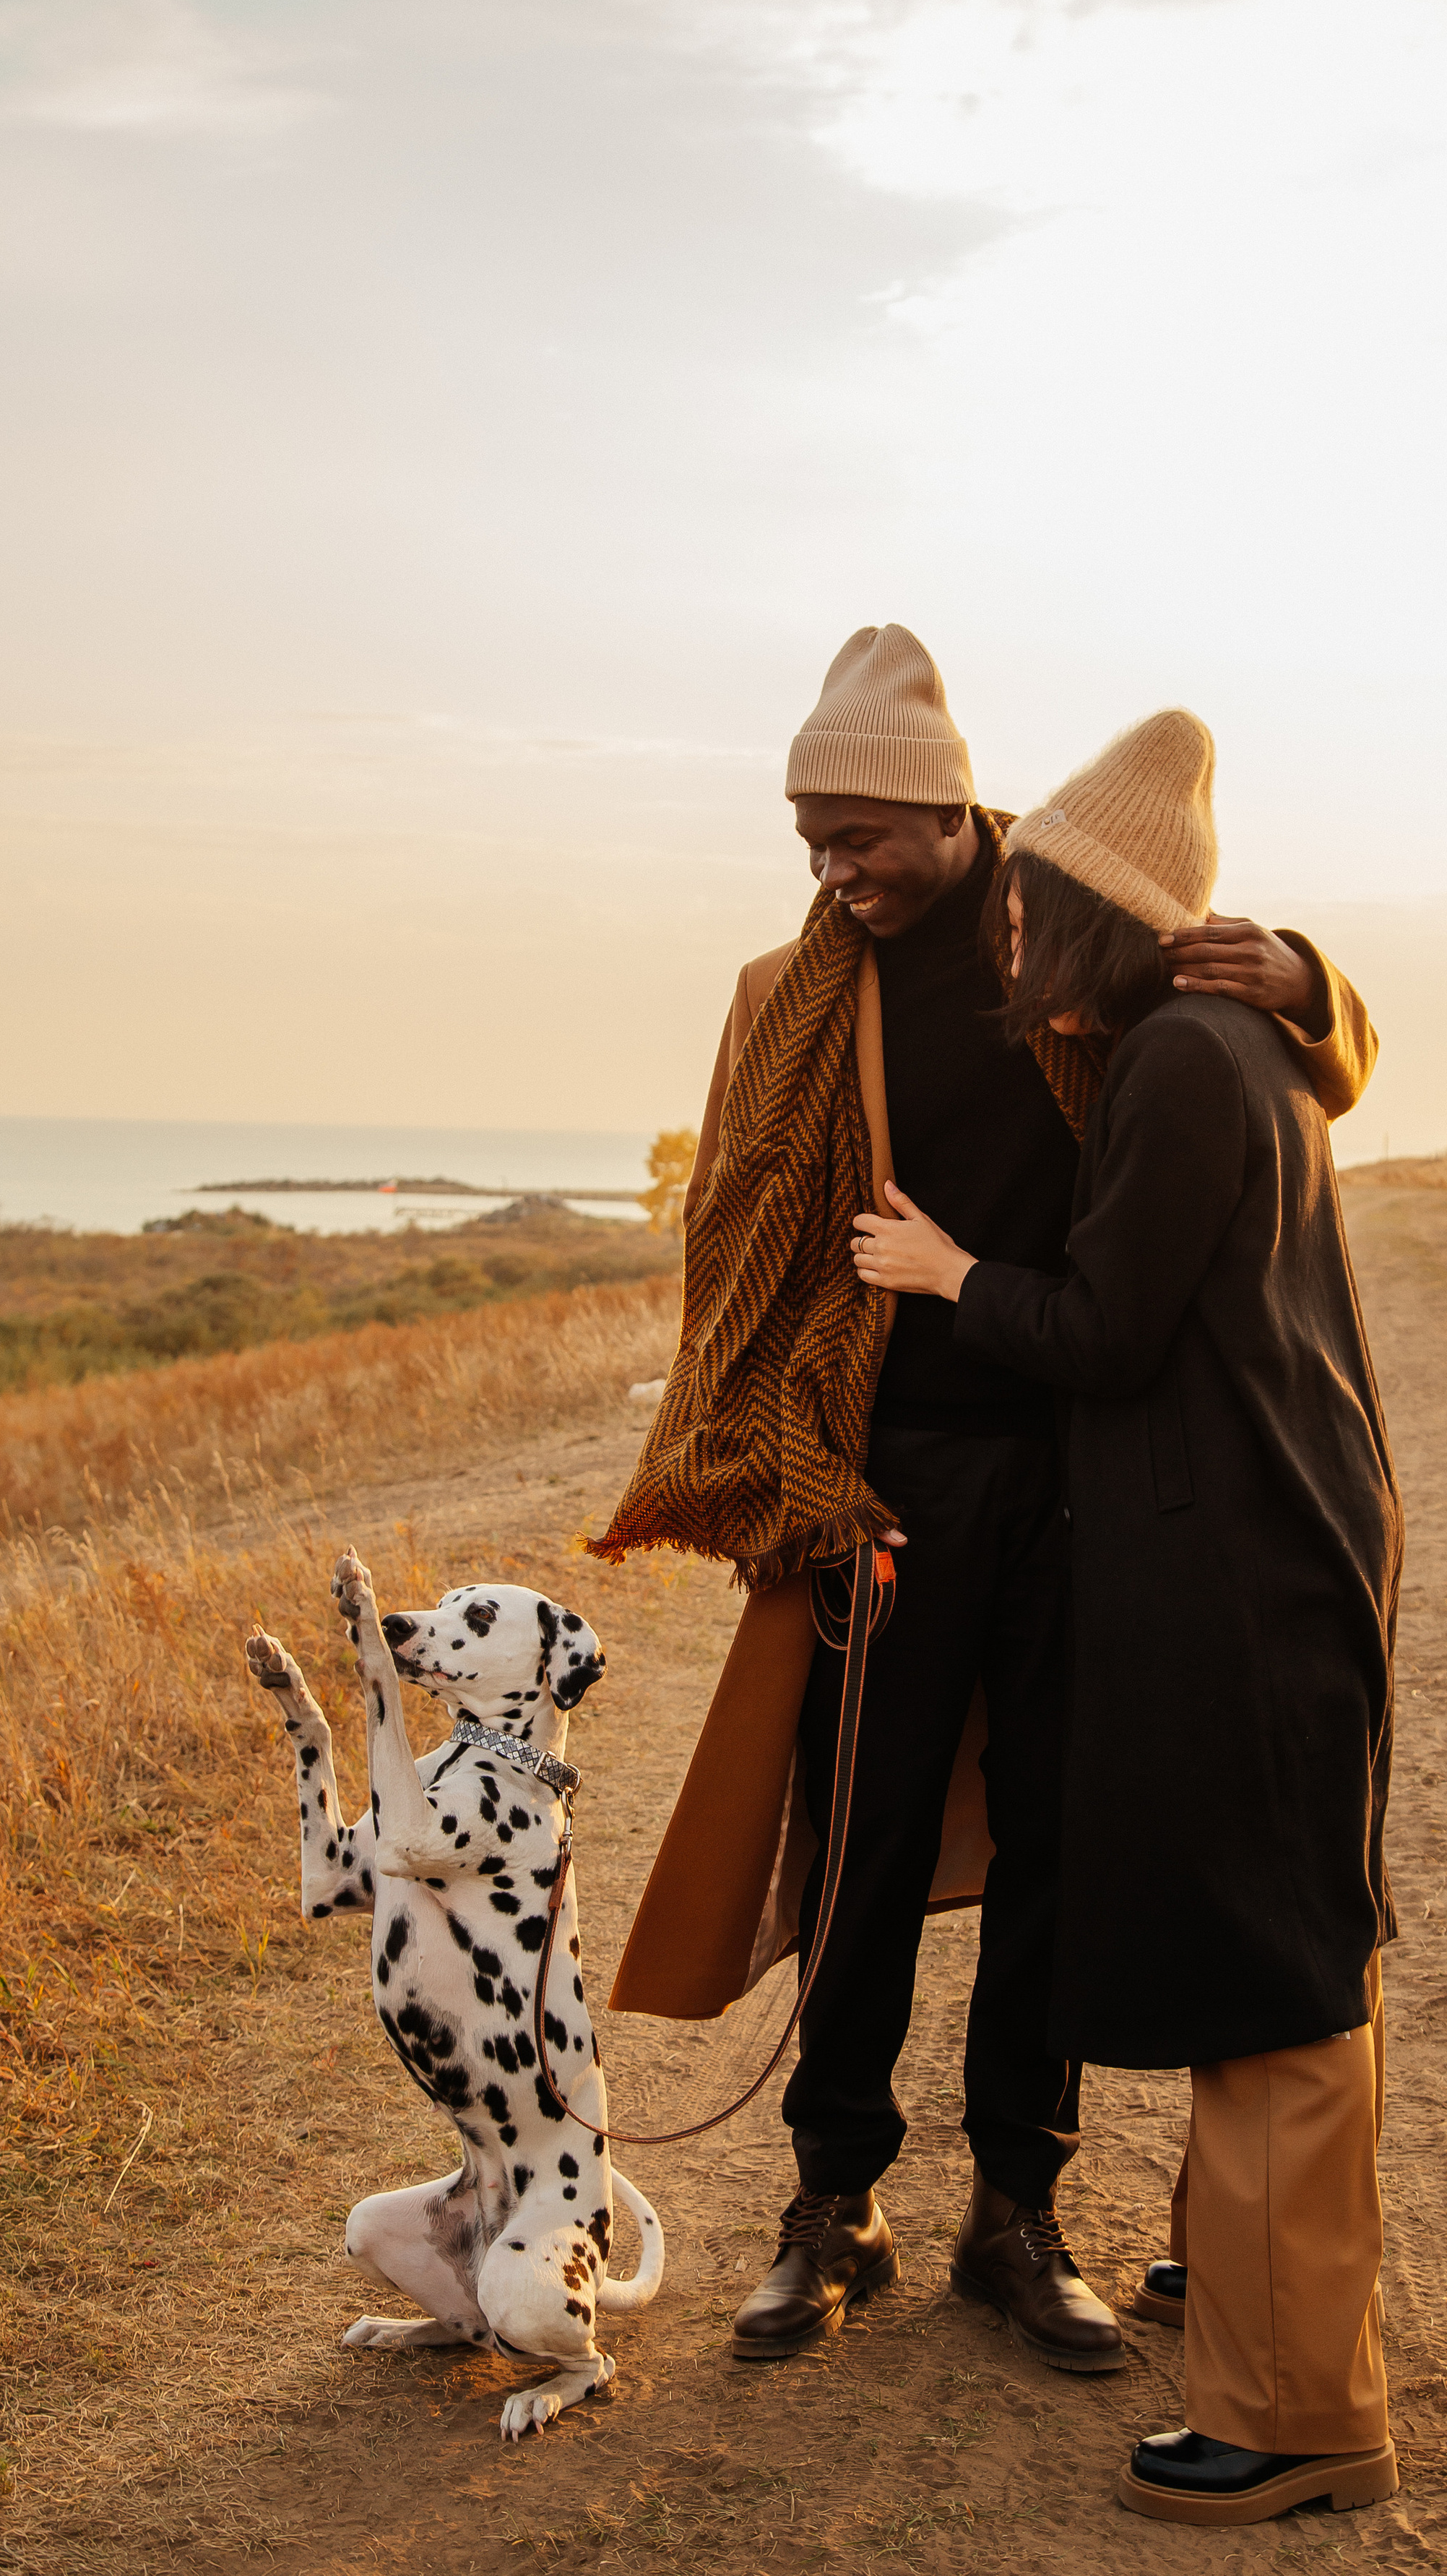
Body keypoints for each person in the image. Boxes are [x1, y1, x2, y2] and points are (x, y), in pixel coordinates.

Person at [588, 626, 1378, 2374]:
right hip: (883, 1489)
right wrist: (801, 1477)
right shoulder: (784, 997)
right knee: (859, 1847)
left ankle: (1017, 2211)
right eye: (808, 839)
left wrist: (1314, 977)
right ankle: (832, 2204)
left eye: (858, 835)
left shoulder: (1081, 919)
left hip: (1088, 1473)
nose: (830, 868)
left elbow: (1284, 1070)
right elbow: (734, 1249)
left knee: (1053, 1852)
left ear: (950, 812)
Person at [850, 705, 1401, 2525]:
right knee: (1279, 1942)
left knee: (1275, 1975)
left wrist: (949, 1274)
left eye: (1026, 905)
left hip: (1238, 1565)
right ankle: (1243, 2284)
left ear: (1090, 914)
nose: (1003, 929)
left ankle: (1295, 2414)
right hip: (1267, 1543)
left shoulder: (1177, 1059)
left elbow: (1103, 1332)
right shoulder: (1229, 1041)